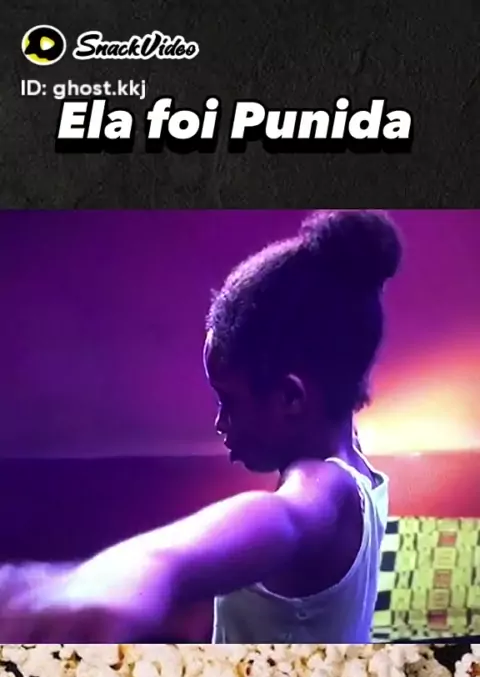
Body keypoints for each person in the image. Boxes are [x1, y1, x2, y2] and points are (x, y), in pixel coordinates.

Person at [1, 209, 402, 643]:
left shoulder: (324, 489)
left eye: (229, 401)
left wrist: (144, 571)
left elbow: (279, 518)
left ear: (291, 398)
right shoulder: (361, 474)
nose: (220, 423)